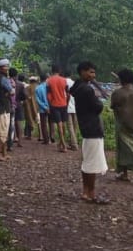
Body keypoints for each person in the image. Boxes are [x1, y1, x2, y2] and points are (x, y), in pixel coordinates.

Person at [70, 60, 109, 203]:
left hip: (85, 126)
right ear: (82, 72)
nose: (93, 75)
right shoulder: (87, 89)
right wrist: (98, 99)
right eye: (91, 72)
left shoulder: (78, 87)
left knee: (87, 161)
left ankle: (86, 190)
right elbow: (98, 106)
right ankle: (90, 192)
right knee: (92, 163)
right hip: (92, 127)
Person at [46, 65, 70, 152]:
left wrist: (49, 104)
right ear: (59, 71)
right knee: (63, 125)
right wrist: (66, 102)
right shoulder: (64, 80)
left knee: (59, 125)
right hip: (63, 104)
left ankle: (63, 145)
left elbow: (48, 96)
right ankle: (61, 143)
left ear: (52, 71)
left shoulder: (49, 81)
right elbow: (68, 94)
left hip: (54, 105)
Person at [64, 72, 79, 150]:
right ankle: (73, 141)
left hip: (67, 106)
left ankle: (74, 144)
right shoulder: (74, 83)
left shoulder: (63, 82)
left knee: (70, 126)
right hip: (75, 106)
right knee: (75, 125)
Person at [35, 73, 51, 144]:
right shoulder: (49, 86)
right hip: (51, 107)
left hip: (42, 109)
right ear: (46, 78)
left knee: (43, 124)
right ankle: (52, 137)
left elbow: (38, 100)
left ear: (40, 79)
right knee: (51, 123)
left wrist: (44, 107)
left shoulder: (38, 88)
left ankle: (46, 140)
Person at [24, 75, 39, 139]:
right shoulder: (38, 87)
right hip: (37, 106)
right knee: (38, 120)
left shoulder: (27, 88)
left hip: (29, 106)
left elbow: (25, 96)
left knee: (29, 119)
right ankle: (41, 135)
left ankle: (29, 135)